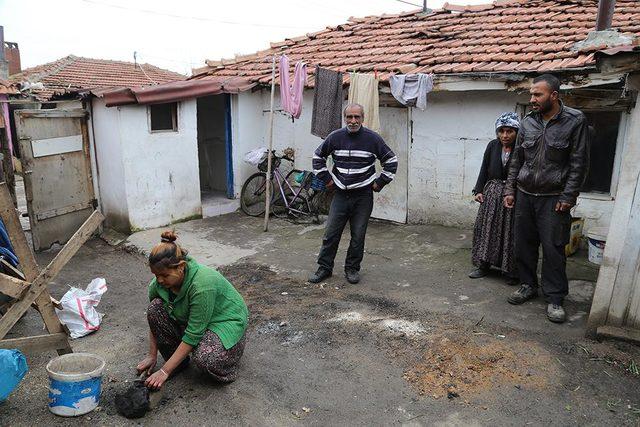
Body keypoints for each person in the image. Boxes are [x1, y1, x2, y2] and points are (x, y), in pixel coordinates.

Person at [503, 74, 589, 323]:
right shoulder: (528, 122)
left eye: (537, 94)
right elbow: (516, 161)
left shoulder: (575, 121)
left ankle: (554, 298)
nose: (532, 99)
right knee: (523, 245)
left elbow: (579, 163)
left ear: (554, 95)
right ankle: (528, 285)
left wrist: (569, 195)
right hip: (525, 195)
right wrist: (510, 191)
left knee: (553, 249)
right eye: (531, 94)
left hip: (553, 198)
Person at [136, 231, 249, 389]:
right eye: (155, 275)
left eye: (164, 275)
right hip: (195, 320)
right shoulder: (159, 284)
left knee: (206, 360)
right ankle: (178, 363)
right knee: (155, 308)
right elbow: (154, 320)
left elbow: (193, 334)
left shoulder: (202, 285)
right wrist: (152, 355)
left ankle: (229, 360)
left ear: (181, 267)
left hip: (224, 322)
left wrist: (164, 371)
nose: (159, 280)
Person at [308, 103, 398, 284]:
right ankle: (324, 268)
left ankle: (352, 269)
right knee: (330, 234)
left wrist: (379, 183)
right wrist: (327, 179)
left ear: (363, 118)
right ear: (345, 118)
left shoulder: (373, 139)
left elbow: (391, 160)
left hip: (363, 196)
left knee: (358, 235)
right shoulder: (335, 137)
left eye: (357, 117)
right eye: (349, 117)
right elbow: (318, 157)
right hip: (340, 194)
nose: (353, 121)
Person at [469, 112, 519, 284]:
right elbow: (484, 168)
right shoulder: (492, 146)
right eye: (501, 131)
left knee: (509, 232)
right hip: (492, 194)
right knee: (487, 229)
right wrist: (478, 190)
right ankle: (483, 265)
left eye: (510, 131)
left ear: (516, 132)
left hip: (512, 195)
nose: (505, 135)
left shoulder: (522, 148)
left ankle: (510, 271)